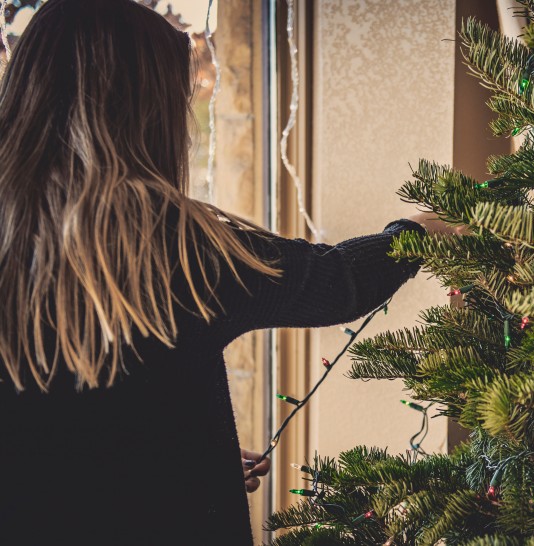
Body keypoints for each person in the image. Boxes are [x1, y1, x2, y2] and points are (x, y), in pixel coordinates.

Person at [0, 0, 462, 544]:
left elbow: (73, 431)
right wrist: (418, 229)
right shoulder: (170, 240)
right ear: (139, 110)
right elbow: (336, 283)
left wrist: (185, 453)